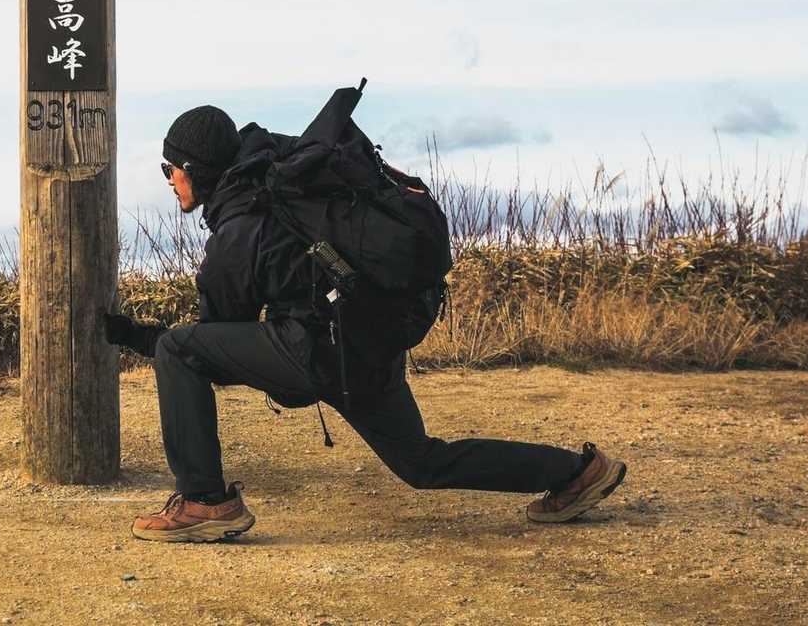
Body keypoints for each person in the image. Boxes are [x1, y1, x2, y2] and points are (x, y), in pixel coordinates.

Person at [104, 104, 627, 543]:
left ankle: (205, 502)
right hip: (365, 341)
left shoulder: (239, 232)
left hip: (316, 351)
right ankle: (576, 472)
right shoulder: (276, 184)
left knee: (177, 349)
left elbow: (208, 344)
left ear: (194, 169)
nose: (168, 181)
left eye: (169, 169)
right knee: (422, 463)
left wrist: (139, 337)